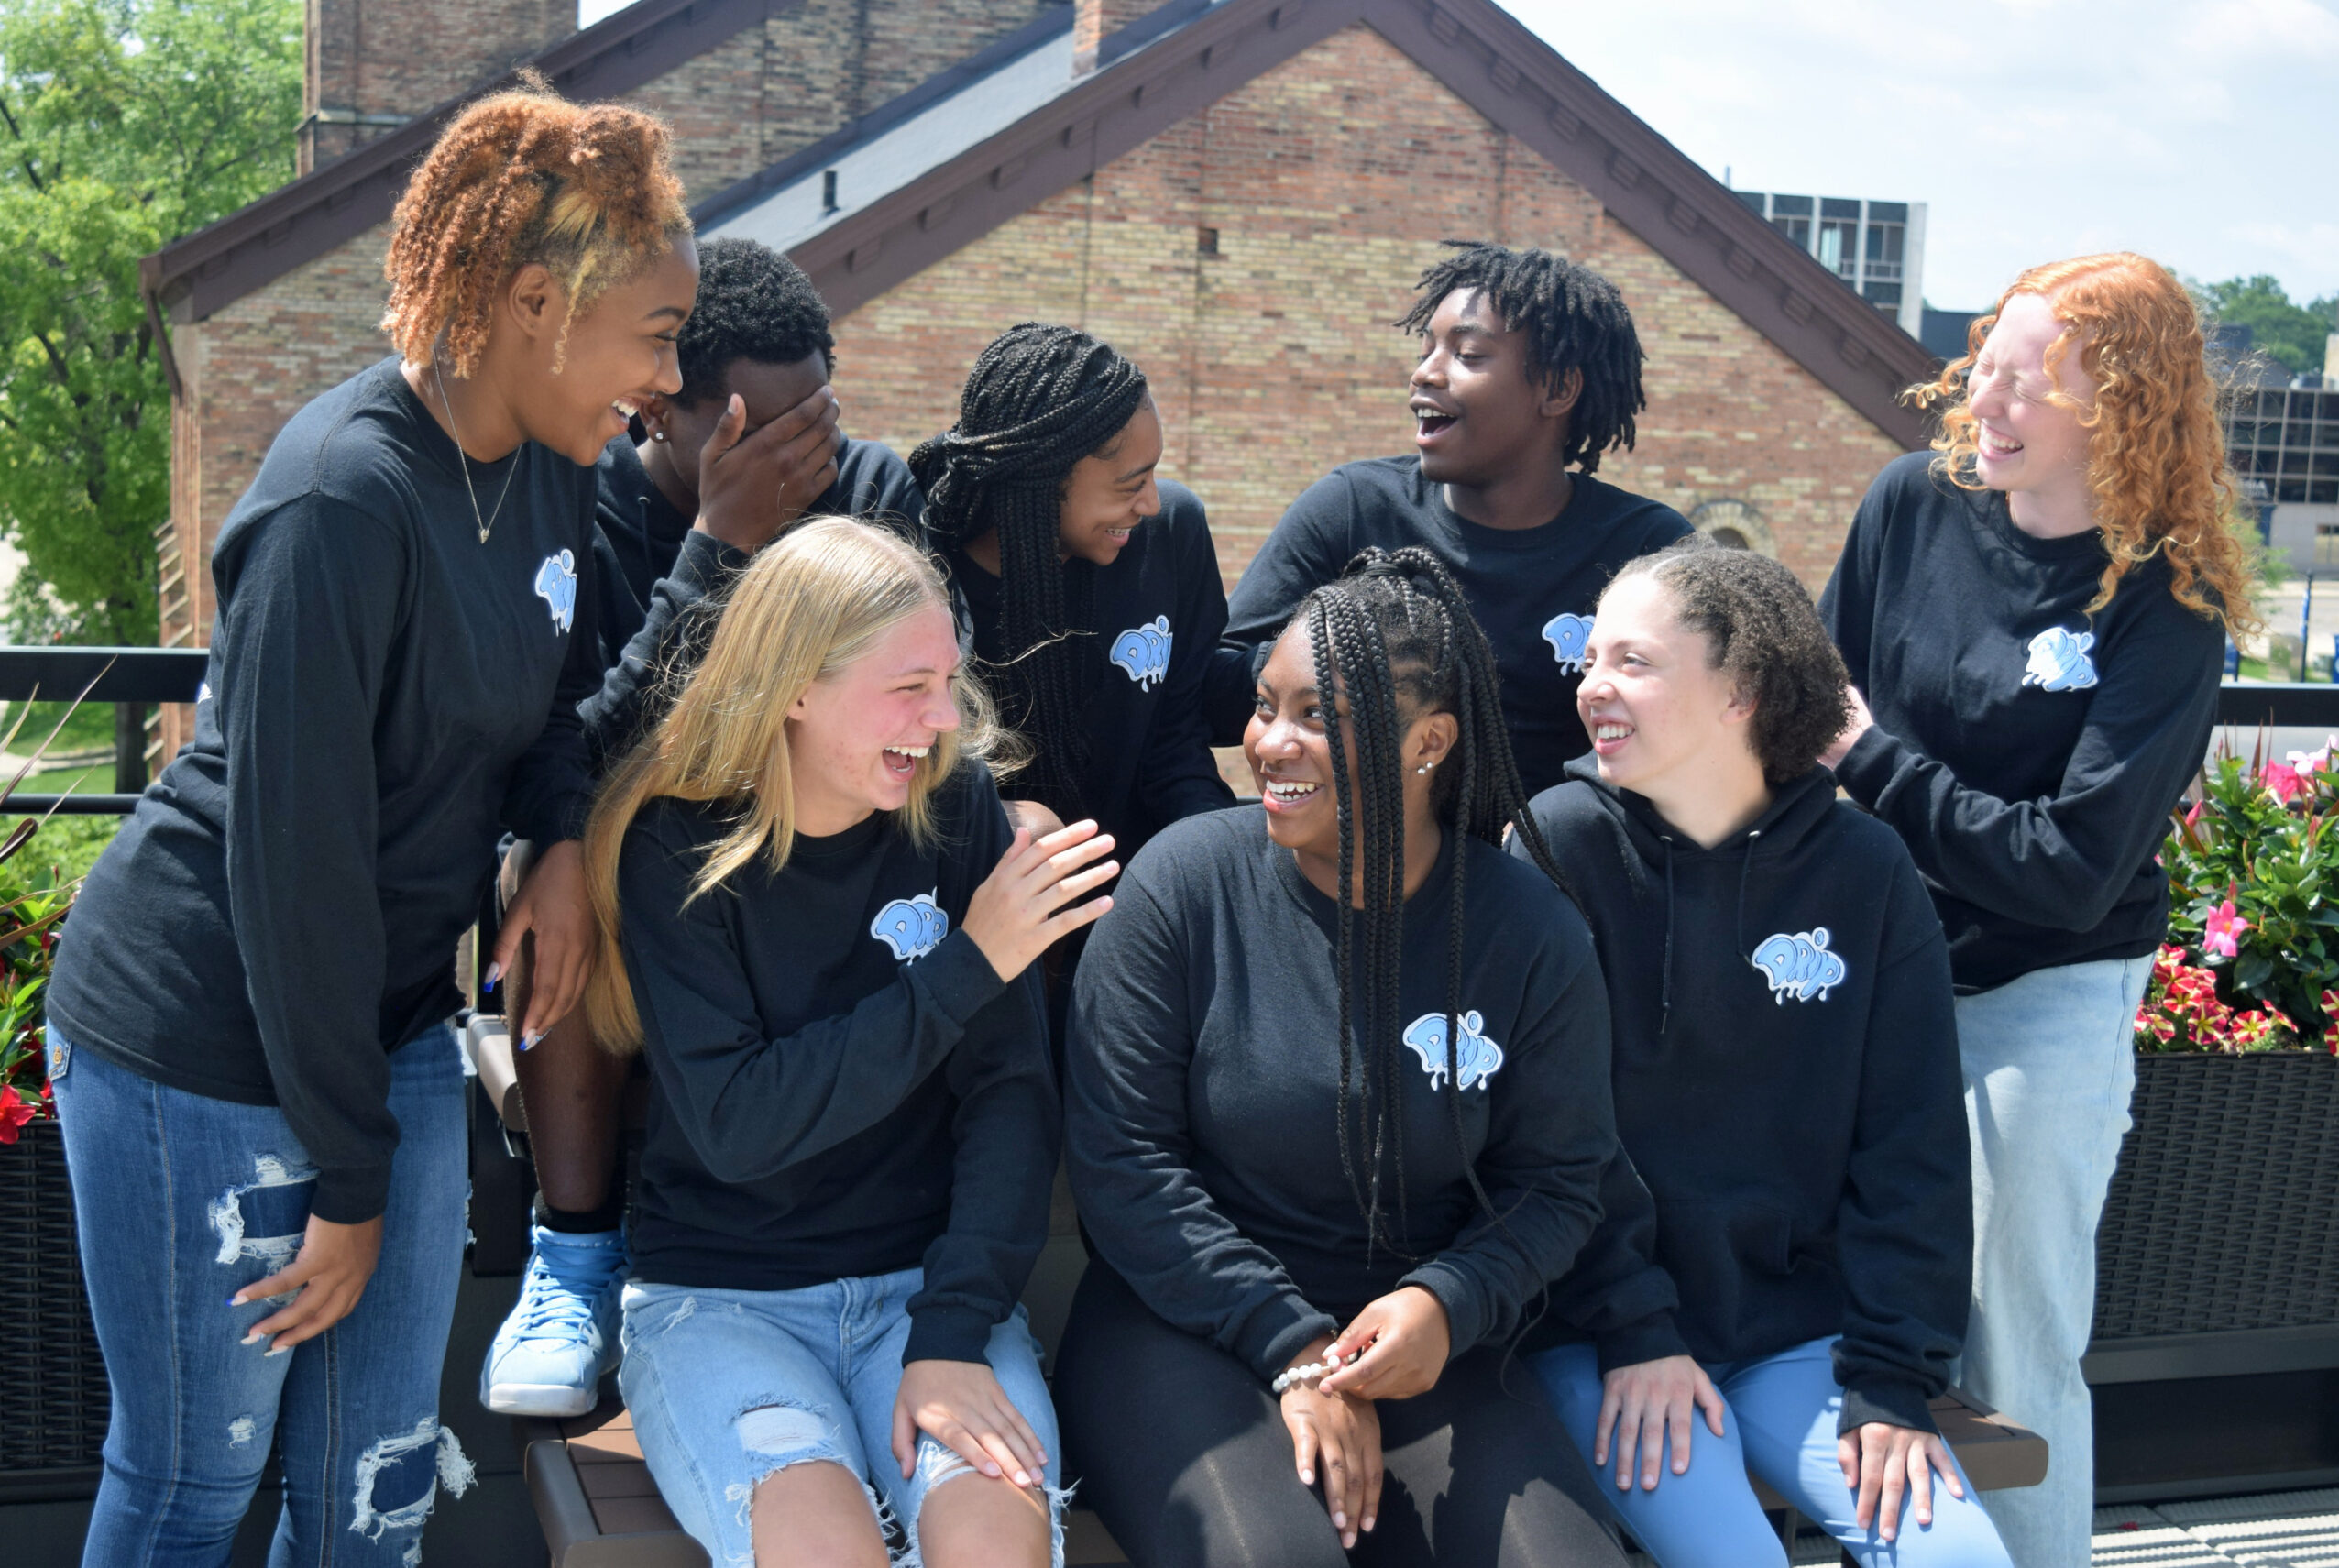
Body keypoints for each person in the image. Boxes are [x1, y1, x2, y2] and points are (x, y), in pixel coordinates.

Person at [42, 82, 694, 1565]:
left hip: (383, 1025)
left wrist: (566, 841)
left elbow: (558, 708)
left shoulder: (541, 471)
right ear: (537, 301)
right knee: (195, 1485)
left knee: (374, 1483)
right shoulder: (341, 502)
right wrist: (345, 1183)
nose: (663, 382)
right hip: (199, 1046)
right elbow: (294, 878)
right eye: (652, 335)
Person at [1058, 547, 1631, 1568]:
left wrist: (1445, 1303)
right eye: (1264, 705)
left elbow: (1557, 1182)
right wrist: (1291, 1346)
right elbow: (1124, 1163)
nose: (1269, 743)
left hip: (1414, 1340)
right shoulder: (1183, 887)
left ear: (1429, 742)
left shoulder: (1527, 933)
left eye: (1317, 715)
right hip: (1183, 1326)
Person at [1815, 253, 2253, 1567]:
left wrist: (1868, 756)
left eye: (2025, 384)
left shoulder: (2168, 607)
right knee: (1837, 1302)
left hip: (2042, 994)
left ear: (2118, 409)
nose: (1984, 404)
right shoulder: (1911, 504)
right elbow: (1812, 714)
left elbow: (2069, 867)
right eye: (1980, 369)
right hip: (1875, 966)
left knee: (2009, 1335)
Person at [584, 517, 1109, 1568]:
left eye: (950, 682)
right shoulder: (674, 845)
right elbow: (739, 1123)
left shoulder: (954, 810)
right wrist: (970, 961)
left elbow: (1009, 1100)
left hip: (926, 1288)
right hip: (725, 1302)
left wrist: (954, 1332)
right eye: (909, 687)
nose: (944, 718)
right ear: (794, 687)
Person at [480, 236, 928, 1420]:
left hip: (818, 867)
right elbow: (566, 750)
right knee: (550, 855)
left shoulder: (874, 488)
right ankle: (575, 1252)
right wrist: (720, 546)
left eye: (818, 424)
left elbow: (921, 694)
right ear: (666, 415)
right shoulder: (586, 506)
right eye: (766, 436)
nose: (806, 462)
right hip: (652, 886)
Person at [1515, 542, 2010, 1568]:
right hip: (1602, 1333)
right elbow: (1543, 1134)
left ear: (1739, 690)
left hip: (1799, 1341)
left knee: (1959, 1558)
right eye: (1590, 659)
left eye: (1632, 663)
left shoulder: (1865, 868)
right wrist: (1633, 1325)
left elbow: (1910, 1142)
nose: (1590, 687)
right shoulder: (1557, 846)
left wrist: (1890, 1378)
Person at [1215, 242, 1691, 798]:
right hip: (1369, 864)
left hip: (1563, 870)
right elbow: (1216, 700)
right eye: (1426, 349)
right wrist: (1356, 662)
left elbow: (1706, 728)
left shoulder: (1650, 550)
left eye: (1466, 354)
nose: (1425, 374)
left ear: (1558, 388)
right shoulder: (1351, 509)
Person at [910, 323, 1232, 854]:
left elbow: (1177, 744)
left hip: (1137, 890)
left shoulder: (1170, 533)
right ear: (1042, 481)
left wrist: (1213, 865)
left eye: (1153, 476)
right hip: (978, 889)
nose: (1151, 502)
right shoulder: (920, 578)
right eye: (1131, 485)